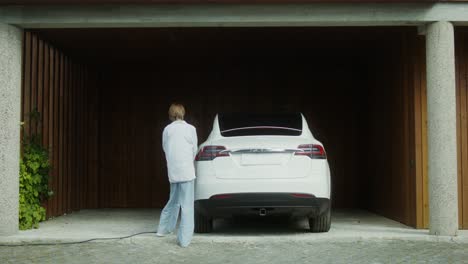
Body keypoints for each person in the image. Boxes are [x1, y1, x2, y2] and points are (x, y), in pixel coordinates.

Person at [157, 103, 198, 248]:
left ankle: (163, 229)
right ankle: (184, 240)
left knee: (173, 200)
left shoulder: (167, 129)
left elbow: (165, 147)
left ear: (170, 114)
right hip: (187, 171)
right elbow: (194, 149)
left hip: (173, 171)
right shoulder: (191, 129)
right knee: (187, 206)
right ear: (183, 113)